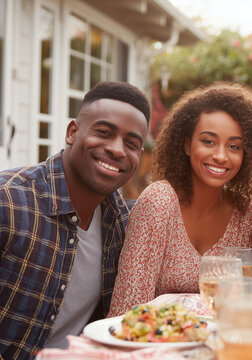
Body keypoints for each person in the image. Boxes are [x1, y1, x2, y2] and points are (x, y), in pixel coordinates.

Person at [0, 81, 150, 359]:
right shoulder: (8, 201)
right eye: (104, 132)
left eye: (131, 143)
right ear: (73, 132)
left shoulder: (122, 223)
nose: (117, 149)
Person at [108, 81, 252, 317]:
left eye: (234, 146)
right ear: (187, 144)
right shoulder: (159, 202)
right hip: (155, 343)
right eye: (208, 141)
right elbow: (128, 309)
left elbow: (241, 304)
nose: (220, 156)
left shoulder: (247, 214)